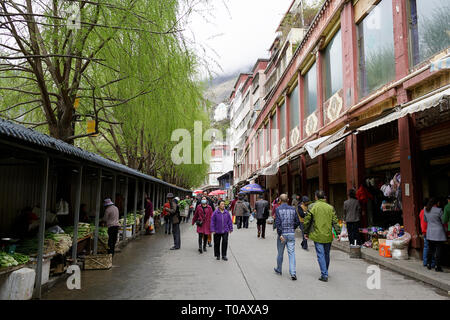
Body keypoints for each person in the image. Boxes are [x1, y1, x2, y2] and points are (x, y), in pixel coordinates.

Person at [304, 190, 341, 282]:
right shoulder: (330, 207)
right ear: (324, 197)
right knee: (326, 254)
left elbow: (307, 221)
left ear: (316, 197)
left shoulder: (312, 206)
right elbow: (335, 221)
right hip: (328, 234)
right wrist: (338, 233)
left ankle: (324, 274)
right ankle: (325, 271)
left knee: (320, 254)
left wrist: (306, 232)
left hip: (317, 234)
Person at [274, 194, 300, 281]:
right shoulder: (293, 209)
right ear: (288, 200)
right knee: (291, 253)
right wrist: (293, 228)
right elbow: (297, 221)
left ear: (280, 200)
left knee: (280, 253)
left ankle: (279, 269)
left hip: (282, 235)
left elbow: (277, 223)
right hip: (291, 234)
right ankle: (293, 273)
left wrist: (280, 234)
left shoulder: (278, 209)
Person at [424, 198, 446, 272]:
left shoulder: (426, 210)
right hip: (439, 232)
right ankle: (437, 266)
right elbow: (443, 220)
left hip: (430, 232)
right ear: (436, 203)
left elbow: (425, 220)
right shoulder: (439, 210)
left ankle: (428, 263)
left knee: (430, 249)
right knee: (438, 249)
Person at [419, 198, 435, 268]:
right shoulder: (429, 212)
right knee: (432, 247)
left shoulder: (421, 212)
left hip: (424, 231)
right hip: (430, 231)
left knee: (426, 247)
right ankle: (432, 262)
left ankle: (425, 262)